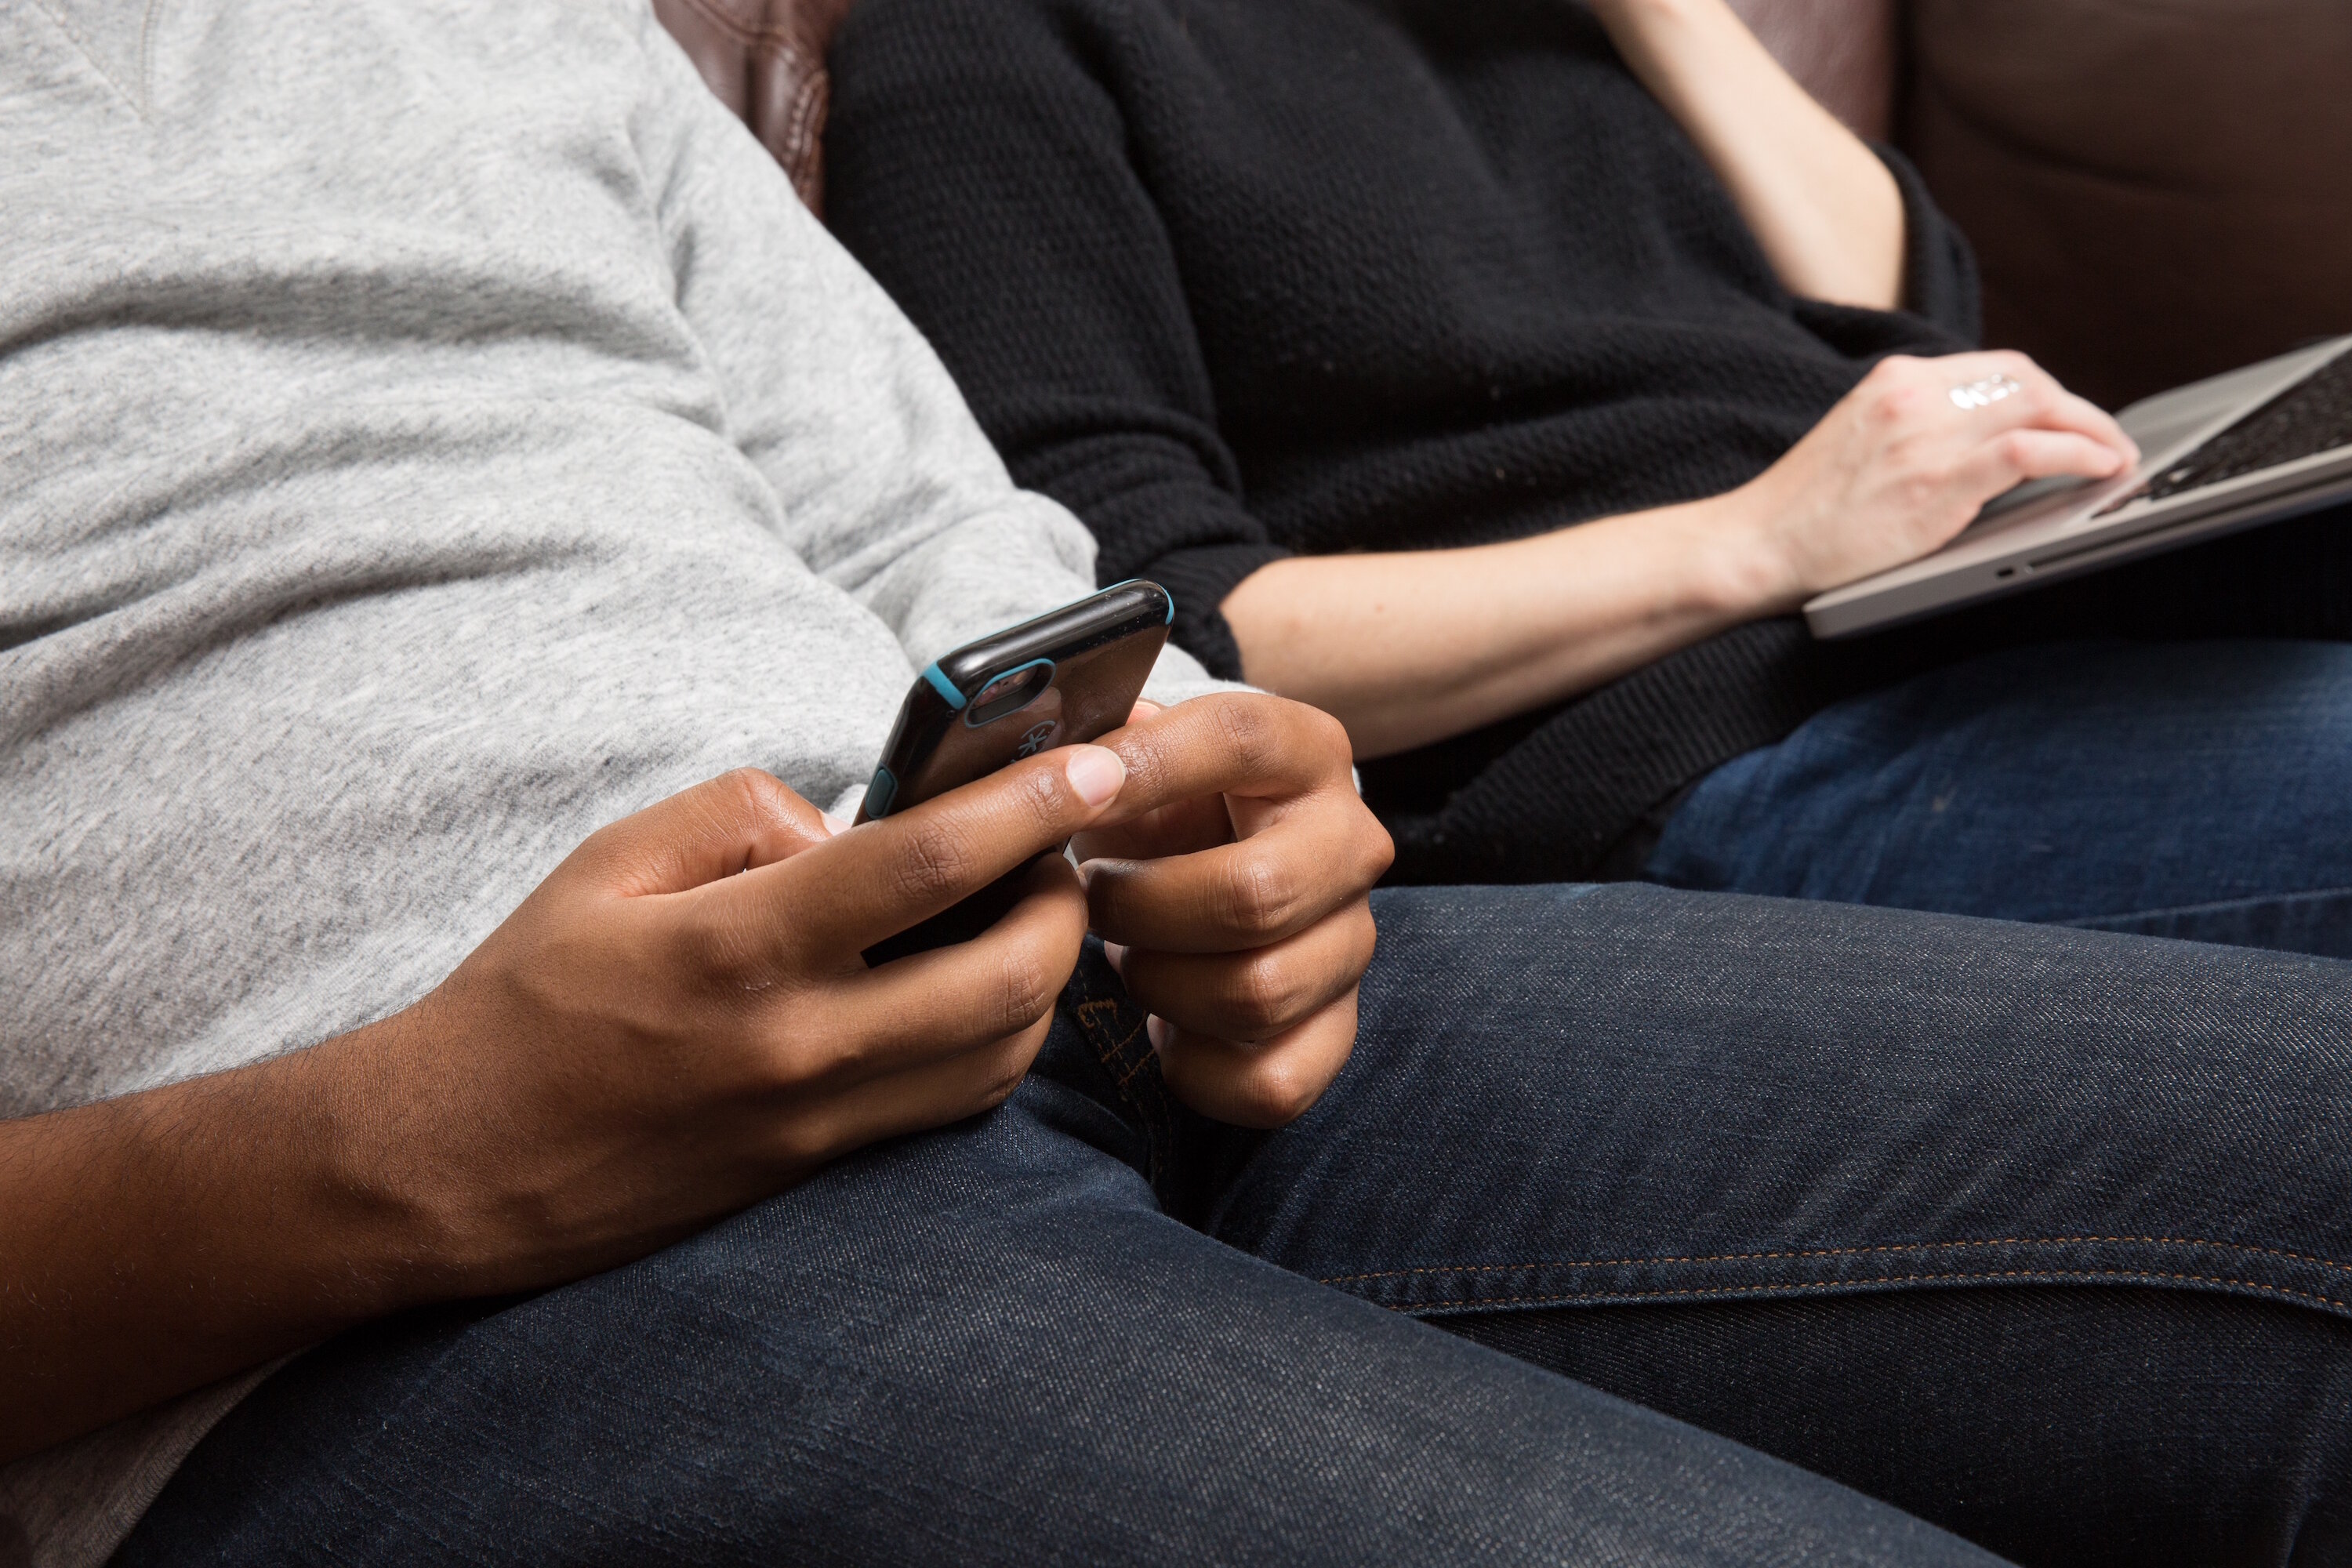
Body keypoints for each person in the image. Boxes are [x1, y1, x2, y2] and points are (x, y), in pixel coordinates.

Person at [7, 3, 2352, 1565]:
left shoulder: (506, 28)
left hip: (1137, 1004)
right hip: (388, 1277)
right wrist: (396, 1147)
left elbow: (976, 563)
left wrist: (1229, 814)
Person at [820, 0, 2352, 953]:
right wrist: (1761, 541)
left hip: (1947, 623)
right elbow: (1159, 634)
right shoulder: (982, 38)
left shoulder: (1546, 26)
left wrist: (1666, 16)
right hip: (1670, 752)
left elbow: (1901, 325)